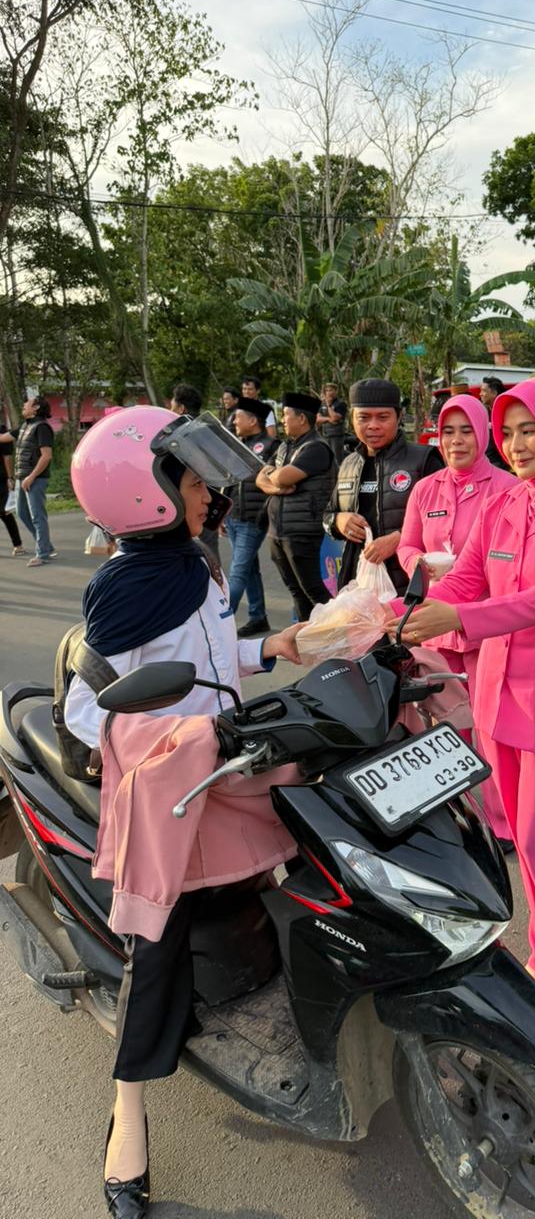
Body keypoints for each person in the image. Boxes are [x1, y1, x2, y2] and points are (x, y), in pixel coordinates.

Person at [64, 404, 303, 1218]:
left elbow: (211, 658)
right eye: (194, 482)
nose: (209, 494)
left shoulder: (197, 562)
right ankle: (127, 1113)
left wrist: (274, 647)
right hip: (164, 792)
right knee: (155, 948)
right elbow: (86, 712)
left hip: (225, 766)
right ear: (148, 493)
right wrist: (180, 737)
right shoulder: (126, 586)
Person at [391, 377, 535, 1045]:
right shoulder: (504, 503)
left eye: (531, 431)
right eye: (510, 432)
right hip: (495, 694)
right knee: (519, 840)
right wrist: (395, 613)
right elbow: (466, 577)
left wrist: (459, 617)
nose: (518, 445)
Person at [396, 393, 515, 848]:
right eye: (448, 431)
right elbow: (407, 544)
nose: (457, 440)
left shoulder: (506, 487)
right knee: (445, 725)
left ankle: (502, 821)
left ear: (484, 434)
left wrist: (467, 571)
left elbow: (511, 555)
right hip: (435, 624)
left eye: (467, 430)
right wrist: (420, 566)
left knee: (490, 726)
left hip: (487, 624)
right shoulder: (426, 489)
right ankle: (458, 813)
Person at [326, 378, 443, 597]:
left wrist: (399, 540)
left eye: (382, 417)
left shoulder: (424, 460)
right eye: (364, 417)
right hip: (358, 584)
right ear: (352, 418)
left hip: (408, 585)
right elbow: (328, 514)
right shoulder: (348, 464)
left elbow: (444, 521)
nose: (373, 425)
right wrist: (338, 521)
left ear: (399, 417)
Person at [256, 391, 336, 620]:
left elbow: (282, 477)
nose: (282, 420)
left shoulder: (316, 448)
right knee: (296, 591)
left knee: (314, 591)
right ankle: (306, 636)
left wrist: (275, 478)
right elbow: (260, 478)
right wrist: (276, 488)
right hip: (277, 531)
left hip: (302, 532)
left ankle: (337, 634)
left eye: (286, 414)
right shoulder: (285, 447)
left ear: (301, 418)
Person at [222, 396, 276, 635]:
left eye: (238, 417)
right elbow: (230, 481)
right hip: (233, 516)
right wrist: (223, 513)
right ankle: (258, 617)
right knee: (250, 569)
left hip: (252, 519)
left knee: (237, 573)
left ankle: (220, 626)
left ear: (253, 421)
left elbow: (273, 483)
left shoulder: (271, 446)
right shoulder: (238, 445)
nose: (234, 421)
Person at [170, 385, 220, 563]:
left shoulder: (176, 435)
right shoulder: (211, 430)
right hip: (211, 498)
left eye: (172, 406)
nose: (170, 411)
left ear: (181, 408)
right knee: (209, 547)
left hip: (183, 501)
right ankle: (214, 578)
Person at [14, 396, 57, 567]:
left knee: (38, 516)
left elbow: (47, 456)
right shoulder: (25, 426)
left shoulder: (42, 427)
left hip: (35, 479)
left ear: (36, 407)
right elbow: (3, 438)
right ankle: (46, 545)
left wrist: (31, 477)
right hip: (22, 477)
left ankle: (43, 553)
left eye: (28, 403)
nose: (24, 405)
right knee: (22, 513)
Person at [0, 422, 25, 555]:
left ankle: (18, 545)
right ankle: (18, 545)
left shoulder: (1, 430)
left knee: (5, 512)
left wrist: (9, 477)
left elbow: (7, 456)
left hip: (1, 478)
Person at [479, 376, 510, 471]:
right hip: (487, 462)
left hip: (501, 464)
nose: (480, 394)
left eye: (484, 391)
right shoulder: (484, 413)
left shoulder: (505, 412)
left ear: (494, 393)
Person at [315, 382, 348, 464]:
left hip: (336, 435)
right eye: (327, 390)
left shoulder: (341, 404)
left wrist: (329, 406)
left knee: (337, 458)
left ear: (336, 391)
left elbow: (335, 417)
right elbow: (318, 419)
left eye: (331, 390)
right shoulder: (322, 404)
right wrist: (328, 419)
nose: (329, 392)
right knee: (327, 458)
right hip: (325, 434)